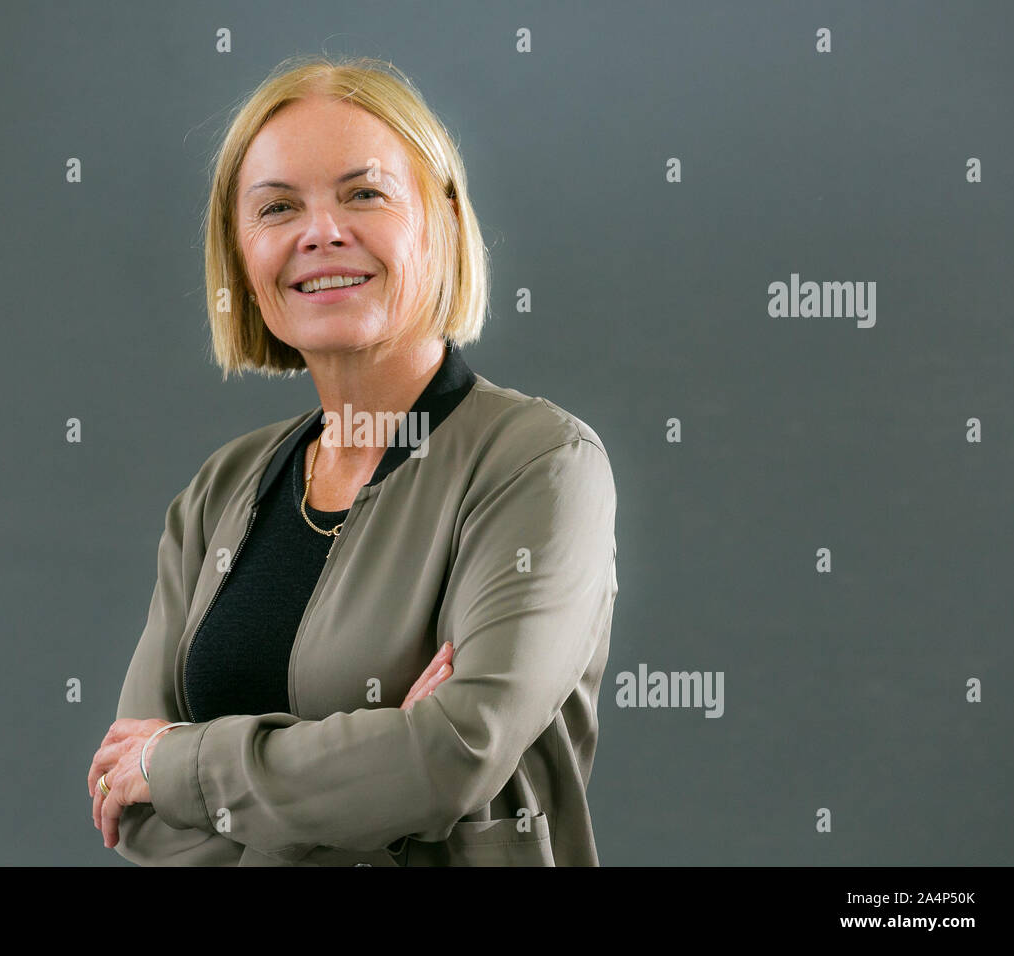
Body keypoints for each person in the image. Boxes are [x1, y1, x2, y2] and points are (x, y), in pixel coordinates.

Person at [86, 55, 618, 866]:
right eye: (277, 207)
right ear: (240, 251)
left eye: (364, 193)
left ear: (441, 218)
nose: (321, 232)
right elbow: (135, 809)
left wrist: (185, 765)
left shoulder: (540, 464)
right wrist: (373, 779)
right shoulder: (219, 493)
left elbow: (449, 759)